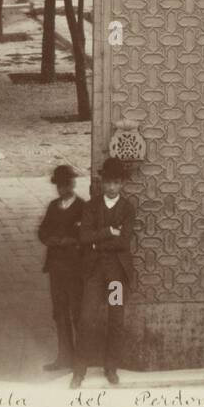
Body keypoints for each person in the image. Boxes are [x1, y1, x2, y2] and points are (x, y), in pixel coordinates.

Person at [72, 158, 135, 388]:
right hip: (94, 274)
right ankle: (79, 371)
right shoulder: (91, 206)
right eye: (108, 182)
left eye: (116, 182)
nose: (111, 187)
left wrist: (97, 244)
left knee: (115, 319)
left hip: (116, 275)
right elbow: (83, 237)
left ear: (122, 184)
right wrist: (109, 231)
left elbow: (124, 242)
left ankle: (111, 368)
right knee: (86, 319)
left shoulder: (128, 208)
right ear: (102, 182)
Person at [38, 165, 85, 373]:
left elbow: (85, 236)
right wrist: (51, 239)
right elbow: (42, 230)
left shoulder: (82, 207)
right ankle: (63, 356)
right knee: (59, 313)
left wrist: (71, 241)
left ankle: (79, 359)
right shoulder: (53, 206)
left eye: (65, 184)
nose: (62, 189)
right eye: (58, 185)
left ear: (73, 184)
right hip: (56, 267)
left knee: (77, 312)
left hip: (75, 269)